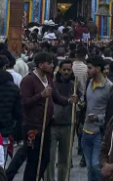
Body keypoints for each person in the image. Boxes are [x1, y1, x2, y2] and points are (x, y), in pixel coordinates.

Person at [21, 52, 76, 181]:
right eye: (49, 63)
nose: (52, 65)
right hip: (33, 127)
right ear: (41, 65)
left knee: (45, 158)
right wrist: (41, 95)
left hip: (46, 126)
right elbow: (24, 102)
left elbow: (56, 97)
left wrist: (69, 100)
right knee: (33, 159)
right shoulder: (29, 80)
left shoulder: (49, 78)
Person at [81, 56, 112, 181]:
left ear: (98, 69)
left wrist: (98, 118)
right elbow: (87, 103)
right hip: (86, 131)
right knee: (89, 167)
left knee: (96, 165)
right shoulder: (89, 83)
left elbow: (111, 113)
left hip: (99, 132)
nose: (87, 70)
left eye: (90, 68)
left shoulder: (109, 87)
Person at [48, 60, 78, 181]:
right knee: (49, 159)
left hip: (67, 125)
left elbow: (80, 103)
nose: (66, 72)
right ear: (59, 70)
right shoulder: (52, 84)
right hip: (52, 125)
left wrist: (79, 101)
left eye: (68, 70)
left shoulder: (73, 85)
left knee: (64, 160)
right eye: (64, 69)